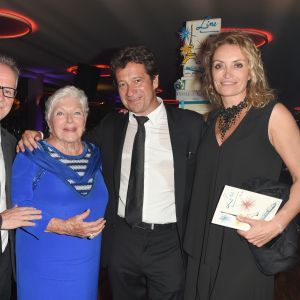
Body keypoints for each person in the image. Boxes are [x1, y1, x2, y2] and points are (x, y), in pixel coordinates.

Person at [18, 46, 204, 300]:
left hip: (169, 241)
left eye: (137, 81)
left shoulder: (189, 125)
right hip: (122, 239)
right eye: (122, 84)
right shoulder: (111, 126)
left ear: (155, 80)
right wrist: (36, 134)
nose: (131, 91)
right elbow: (69, 138)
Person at [183, 31, 300, 300]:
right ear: (210, 73)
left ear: (251, 70)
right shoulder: (211, 121)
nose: (227, 73)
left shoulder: (273, 114)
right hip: (202, 243)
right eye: (219, 65)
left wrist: (278, 224)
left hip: (245, 243)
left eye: (238, 64)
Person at [12, 86, 108, 300]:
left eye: (76, 112)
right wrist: (64, 227)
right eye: (60, 113)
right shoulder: (30, 155)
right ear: (48, 120)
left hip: (87, 265)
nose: (69, 120)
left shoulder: (96, 155)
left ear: (85, 118)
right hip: (43, 265)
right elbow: (18, 208)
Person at [0, 55, 42, 300]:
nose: (2, 97)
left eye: (8, 91)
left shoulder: (8, 142)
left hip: (4, 259)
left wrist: (38, 134)